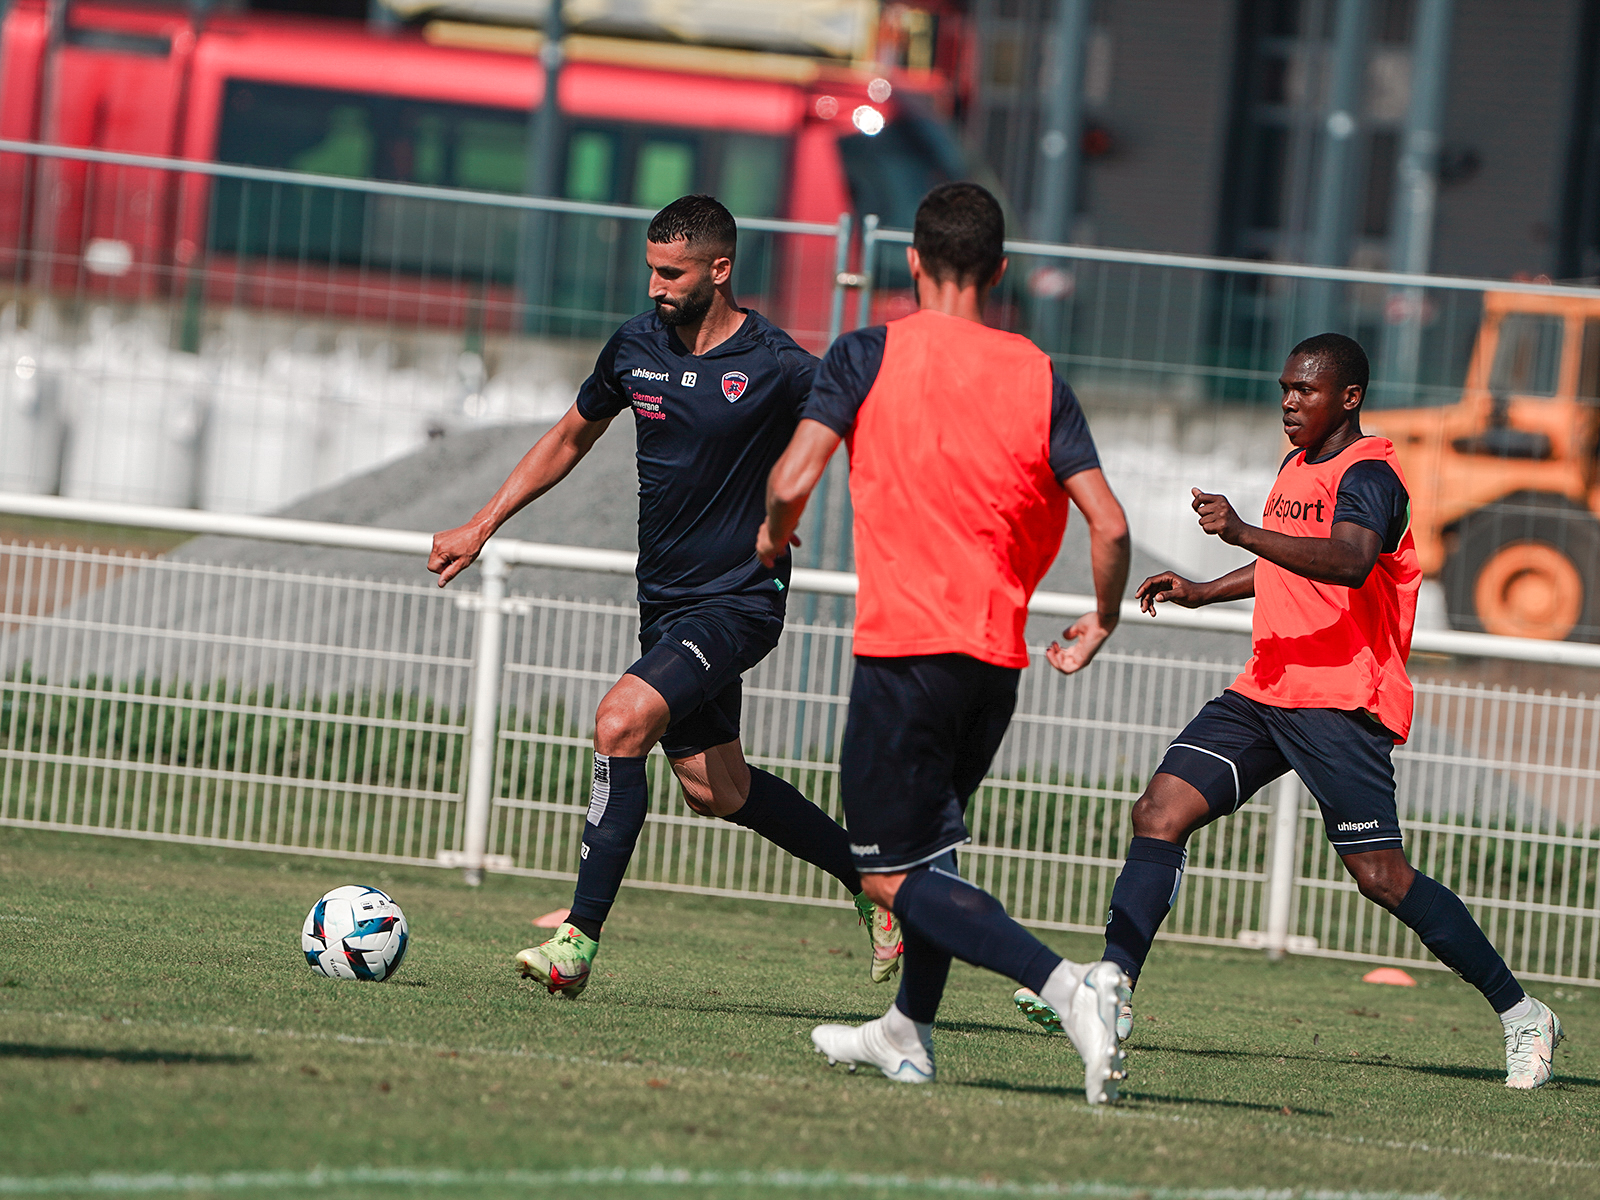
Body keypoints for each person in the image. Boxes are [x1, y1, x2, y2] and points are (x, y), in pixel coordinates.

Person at [1016, 332, 1563, 1090]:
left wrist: (1240, 528)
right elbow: (1289, 553)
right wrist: (1207, 587)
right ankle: (1112, 992)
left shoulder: (1371, 472)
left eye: (1305, 390)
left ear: (1349, 398)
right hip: (1266, 687)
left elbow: (1347, 560)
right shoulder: (1295, 465)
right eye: (1284, 388)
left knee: (1380, 876)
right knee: (1159, 811)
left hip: (1341, 699)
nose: (1288, 402)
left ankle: (1521, 1012)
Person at [428, 195, 901, 998]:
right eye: (650, 268)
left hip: (739, 601)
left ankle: (576, 942)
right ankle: (875, 885)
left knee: (620, 720)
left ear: (720, 270)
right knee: (719, 789)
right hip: (667, 603)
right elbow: (571, 436)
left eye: (670, 272)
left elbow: (865, 438)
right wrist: (482, 525)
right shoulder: (636, 346)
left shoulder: (779, 364)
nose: (654, 285)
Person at [757, 182, 1136, 1105]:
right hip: (995, 662)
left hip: (905, 653)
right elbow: (1113, 527)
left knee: (886, 873)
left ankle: (1067, 987)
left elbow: (793, 475)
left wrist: (774, 534)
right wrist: (1103, 616)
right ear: (999, 272)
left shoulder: (868, 352)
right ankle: (905, 1035)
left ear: (914, 264)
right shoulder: (1039, 372)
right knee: (927, 856)